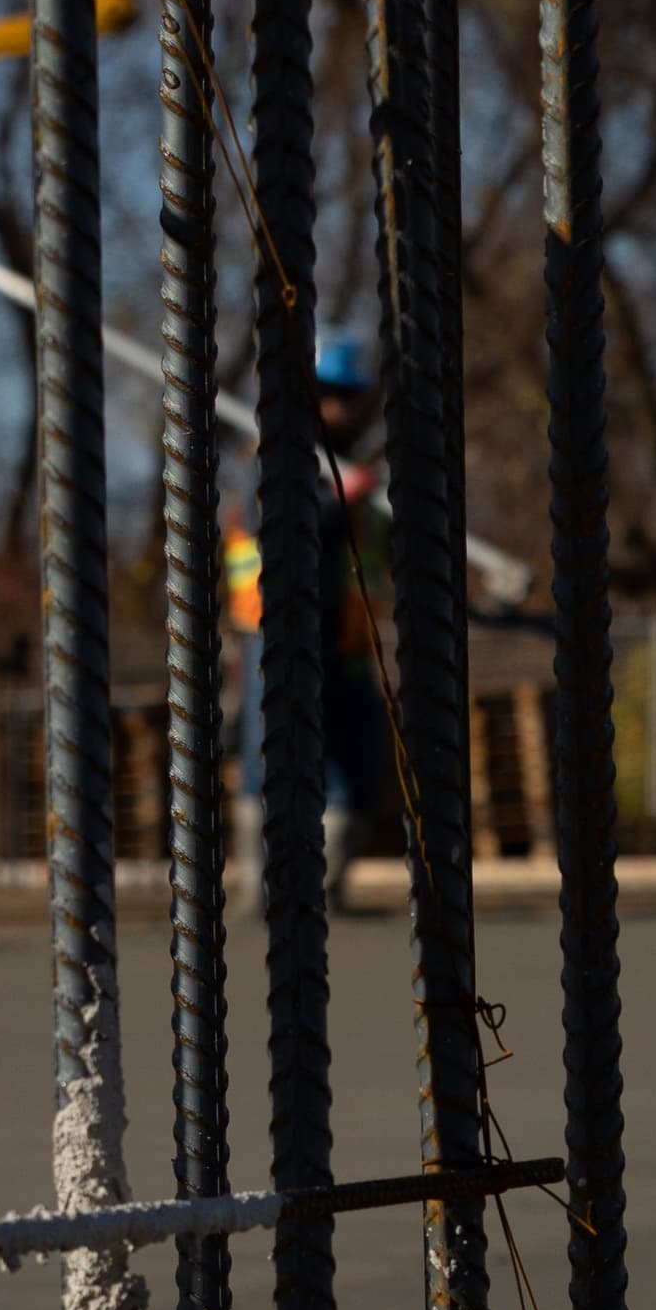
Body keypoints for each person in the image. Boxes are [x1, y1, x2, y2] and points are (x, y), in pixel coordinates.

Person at [225, 331, 397, 907]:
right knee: (269, 754)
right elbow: (272, 521)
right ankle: (261, 884)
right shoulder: (271, 459)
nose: (342, 407)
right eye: (329, 393)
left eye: (350, 395)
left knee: (357, 750)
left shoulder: (357, 472)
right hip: (274, 634)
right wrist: (338, 499)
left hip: (345, 636)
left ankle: (328, 886)